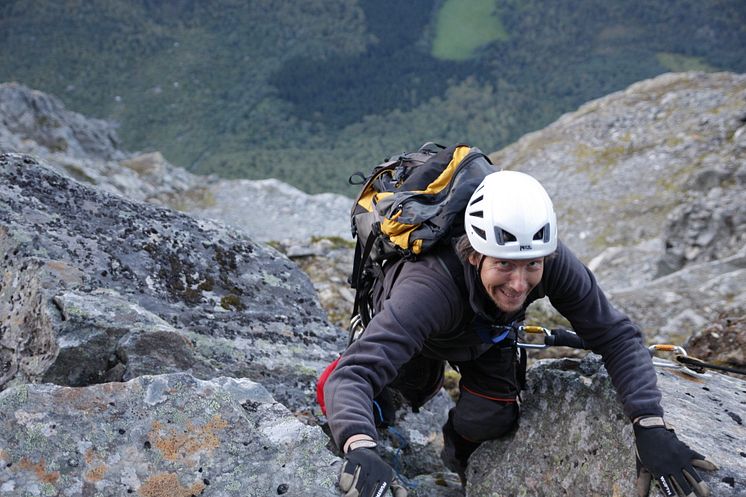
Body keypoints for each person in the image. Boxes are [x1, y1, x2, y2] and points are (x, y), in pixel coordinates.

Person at [325, 170, 716, 497]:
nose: (519, 283)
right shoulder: (427, 291)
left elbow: (618, 337)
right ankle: (377, 402)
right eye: (505, 265)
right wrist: (359, 445)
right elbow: (355, 374)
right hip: (422, 332)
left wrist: (649, 424)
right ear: (474, 252)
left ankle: (461, 468)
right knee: (395, 397)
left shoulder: (552, 259)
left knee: (490, 420)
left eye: (532, 266)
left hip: (488, 332)